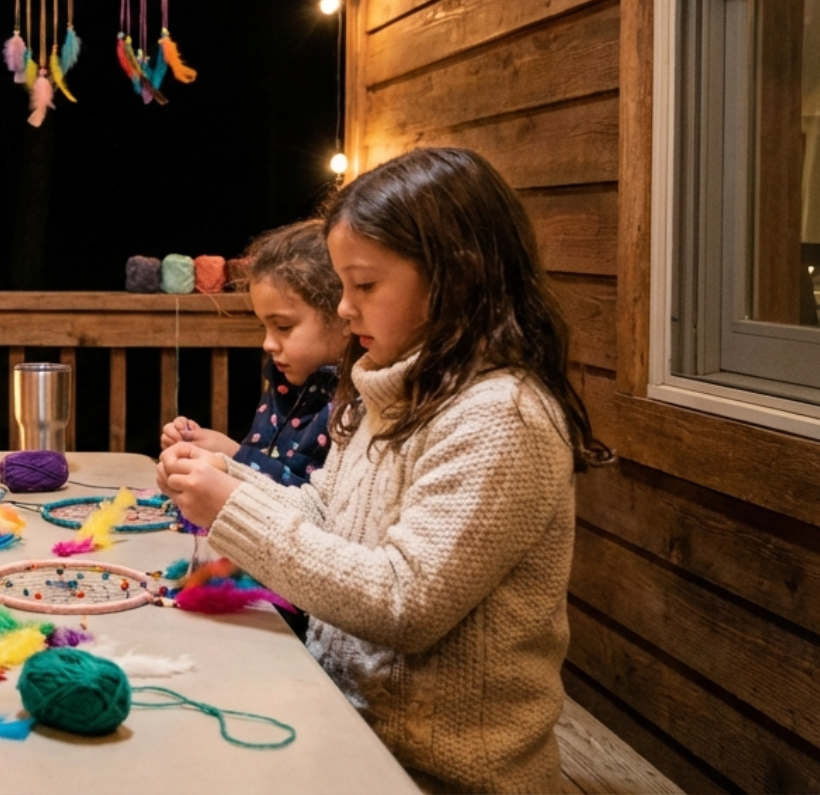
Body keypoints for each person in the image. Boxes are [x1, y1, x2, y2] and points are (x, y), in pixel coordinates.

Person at [157, 147, 612, 793]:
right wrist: (228, 479)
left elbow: (403, 601)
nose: (344, 309)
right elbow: (325, 513)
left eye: (364, 285)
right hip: (348, 728)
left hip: (439, 774)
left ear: (455, 275)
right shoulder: (386, 387)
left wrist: (230, 507)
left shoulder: (501, 418)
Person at [160, 220, 349, 486]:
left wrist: (232, 456)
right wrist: (213, 448)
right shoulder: (285, 380)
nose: (267, 344)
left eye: (283, 327)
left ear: (344, 318)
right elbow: (265, 466)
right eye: (265, 328)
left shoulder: (353, 405)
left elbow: (311, 500)